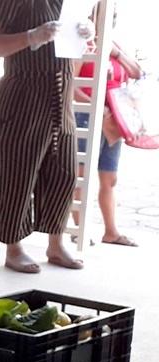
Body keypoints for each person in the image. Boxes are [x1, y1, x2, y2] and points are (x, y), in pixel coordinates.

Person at [0, 0, 94, 273]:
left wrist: (85, 35)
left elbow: (68, 48)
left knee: (64, 173)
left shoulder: (70, 2)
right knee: (18, 174)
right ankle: (14, 247)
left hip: (59, 96)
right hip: (22, 96)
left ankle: (56, 244)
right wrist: (31, 36)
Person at [73, 28, 142, 247]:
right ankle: (77, 229)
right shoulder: (83, 44)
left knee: (109, 177)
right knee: (81, 176)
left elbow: (137, 72)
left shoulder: (116, 45)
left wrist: (115, 52)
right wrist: (96, 108)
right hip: (88, 115)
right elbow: (70, 84)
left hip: (114, 118)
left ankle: (111, 231)